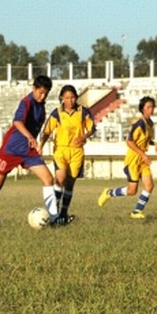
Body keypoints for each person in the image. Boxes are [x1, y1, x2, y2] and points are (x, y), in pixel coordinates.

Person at [0, 75, 65, 226]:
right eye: (40, 92)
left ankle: (54, 219)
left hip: (29, 151)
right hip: (11, 148)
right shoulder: (26, 102)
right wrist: (29, 137)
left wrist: (37, 143)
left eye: (46, 93)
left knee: (48, 179)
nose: (43, 96)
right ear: (33, 88)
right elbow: (17, 122)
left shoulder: (41, 106)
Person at [38, 84, 96, 222]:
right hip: (61, 150)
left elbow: (92, 128)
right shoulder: (57, 113)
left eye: (73, 97)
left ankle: (63, 214)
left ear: (76, 97)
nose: (70, 101)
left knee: (69, 184)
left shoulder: (83, 112)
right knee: (60, 179)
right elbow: (47, 131)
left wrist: (83, 137)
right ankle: (54, 213)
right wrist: (41, 145)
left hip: (77, 152)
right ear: (62, 98)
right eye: (67, 98)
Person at [98, 96, 157, 219]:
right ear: (142, 109)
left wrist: (154, 143)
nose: (151, 109)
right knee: (132, 191)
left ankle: (136, 212)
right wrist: (143, 155)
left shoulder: (150, 123)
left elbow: (144, 139)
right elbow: (130, 142)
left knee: (149, 186)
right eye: (148, 107)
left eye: (152, 107)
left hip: (142, 159)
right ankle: (109, 193)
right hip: (133, 160)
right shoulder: (139, 123)